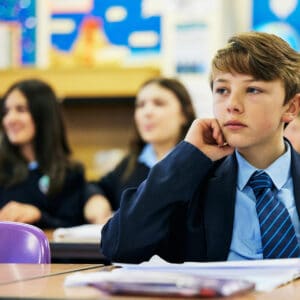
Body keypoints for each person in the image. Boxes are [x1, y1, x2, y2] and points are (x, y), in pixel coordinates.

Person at [101, 31, 300, 263]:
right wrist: (186, 155)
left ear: (292, 107)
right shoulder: (196, 179)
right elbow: (118, 245)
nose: (232, 105)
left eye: (253, 90)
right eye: (222, 90)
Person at [84, 77, 196, 224]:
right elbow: (96, 187)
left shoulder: (197, 163)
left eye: (159, 103)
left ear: (184, 115)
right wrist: (95, 198)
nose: (147, 112)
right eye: (141, 105)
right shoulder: (131, 163)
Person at [0, 79, 87, 228]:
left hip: (52, 251)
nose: (10, 119)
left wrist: (37, 215)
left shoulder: (70, 173)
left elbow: (73, 228)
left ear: (43, 115)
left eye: (20, 109)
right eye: (6, 111)